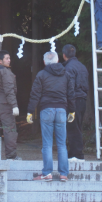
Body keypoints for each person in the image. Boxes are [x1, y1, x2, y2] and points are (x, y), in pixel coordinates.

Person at [27, 51, 75, 182]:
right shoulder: (66, 74)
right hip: (61, 110)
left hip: (46, 109)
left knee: (47, 144)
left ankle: (47, 173)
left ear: (44, 62)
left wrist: (30, 111)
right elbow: (71, 94)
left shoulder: (41, 74)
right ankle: (63, 174)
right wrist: (72, 111)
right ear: (58, 60)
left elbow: (35, 94)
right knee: (62, 144)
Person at [0, 35, 21, 160]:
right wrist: (14, 106)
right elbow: (9, 91)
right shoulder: (6, 73)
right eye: (7, 59)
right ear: (1, 61)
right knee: (10, 130)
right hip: (6, 103)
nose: (9, 60)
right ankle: (11, 156)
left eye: (9, 58)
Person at [62, 44, 89, 162]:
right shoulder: (82, 66)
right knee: (77, 125)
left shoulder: (69, 68)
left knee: (72, 126)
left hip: (74, 99)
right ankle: (74, 152)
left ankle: (76, 154)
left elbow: (70, 87)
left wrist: (69, 102)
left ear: (64, 55)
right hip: (82, 99)